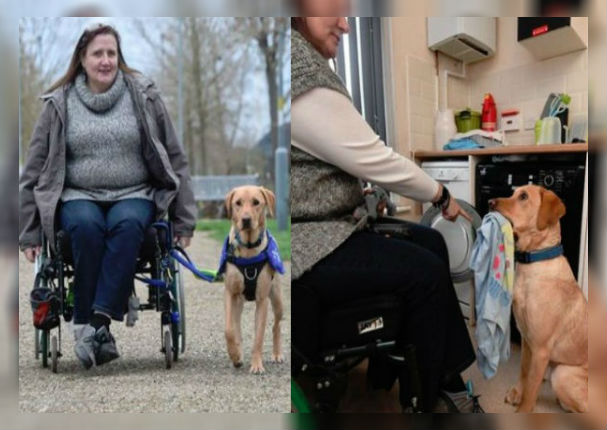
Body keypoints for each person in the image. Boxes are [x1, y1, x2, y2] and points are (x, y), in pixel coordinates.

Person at [290, 11, 483, 413]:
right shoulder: (292, 62)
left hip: (333, 224)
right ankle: (429, 398)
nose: (344, 23)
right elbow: (374, 158)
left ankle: (431, 373)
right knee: (425, 271)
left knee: (429, 241)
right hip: (307, 240)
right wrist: (441, 195)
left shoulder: (303, 59)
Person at [19, 23, 196, 369]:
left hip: (134, 193)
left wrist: (184, 220)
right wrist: (28, 231)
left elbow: (175, 158)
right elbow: (34, 169)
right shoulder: (59, 104)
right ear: (82, 60)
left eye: (111, 53)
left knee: (128, 224)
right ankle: (96, 328)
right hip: (76, 195)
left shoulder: (143, 95)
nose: (105, 60)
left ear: (119, 57)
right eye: (97, 53)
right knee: (85, 228)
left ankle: (94, 324)